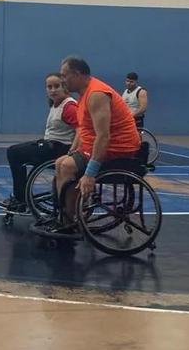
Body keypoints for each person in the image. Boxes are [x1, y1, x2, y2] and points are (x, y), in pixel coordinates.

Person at [50, 57, 141, 233]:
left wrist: (90, 174)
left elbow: (103, 136)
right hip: (101, 147)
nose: (62, 80)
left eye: (64, 75)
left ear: (77, 74)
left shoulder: (96, 94)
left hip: (118, 149)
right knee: (60, 162)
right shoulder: (85, 94)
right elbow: (86, 129)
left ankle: (68, 222)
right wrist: (75, 148)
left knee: (67, 167)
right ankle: (65, 215)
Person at [0, 73, 78, 213]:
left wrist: (74, 150)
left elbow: (82, 129)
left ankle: (20, 199)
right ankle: (21, 197)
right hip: (51, 145)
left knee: (14, 152)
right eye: (49, 87)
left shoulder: (69, 107)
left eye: (56, 86)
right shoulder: (55, 105)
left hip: (59, 149)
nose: (53, 90)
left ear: (64, 87)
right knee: (17, 152)